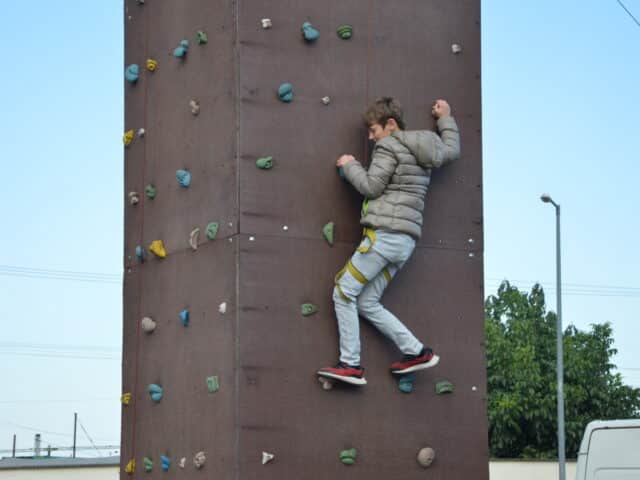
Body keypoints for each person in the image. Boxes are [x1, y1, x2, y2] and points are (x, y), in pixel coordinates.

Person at [317, 97, 460, 385]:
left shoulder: (388, 146)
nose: (371, 138)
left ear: (390, 124)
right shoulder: (428, 146)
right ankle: (416, 351)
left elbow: (371, 186)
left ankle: (350, 364)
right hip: (405, 242)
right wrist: (445, 117)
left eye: (373, 130)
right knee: (367, 301)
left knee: (343, 291)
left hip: (383, 237)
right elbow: (452, 149)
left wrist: (350, 165)